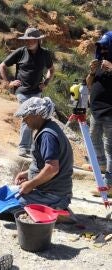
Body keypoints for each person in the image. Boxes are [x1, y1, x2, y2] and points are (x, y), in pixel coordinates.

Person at [0, 97, 73, 220]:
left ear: (37, 115)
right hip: (52, 192)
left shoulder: (47, 135)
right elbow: (45, 164)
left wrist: (30, 184)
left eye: (26, 116)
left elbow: (52, 168)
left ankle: (54, 211)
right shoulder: (48, 128)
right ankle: (52, 208)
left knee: (4, 209)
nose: (24, 120)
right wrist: (27, 174)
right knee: (4, 199)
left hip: (53, 195)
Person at [0, 27, 55, 158]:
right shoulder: (20, 52)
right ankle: (24, 148)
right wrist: (9, 83)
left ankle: (33, 147)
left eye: (31, 40)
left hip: (36, 92)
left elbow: (51, 70)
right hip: (22, 92)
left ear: (37, 40)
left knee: (38, 118)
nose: (28, 42)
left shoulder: (45, 54)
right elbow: (2, 66)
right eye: (26, 40)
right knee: (28, 116)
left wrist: (46, 82)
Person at [84, 31, 112, 197]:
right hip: (96, 108)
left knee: (111, 147)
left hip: (111, 110)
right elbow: (89, 83)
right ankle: (100, 165)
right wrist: (92, 72)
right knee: (93, 137)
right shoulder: (100, 61)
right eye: (101, 46)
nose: (102, 49)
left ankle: (108, 186)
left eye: (105, 46)